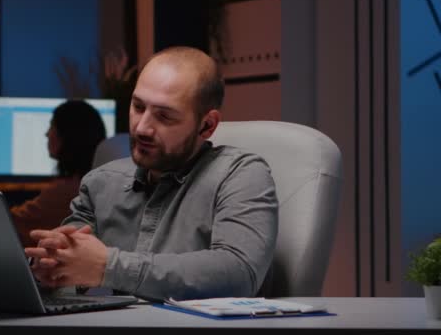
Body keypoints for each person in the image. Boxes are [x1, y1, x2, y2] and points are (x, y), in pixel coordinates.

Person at [25, 46, 279, 302]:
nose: (142, 127)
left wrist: (108, 267)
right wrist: (48, 265)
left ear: (207, 125)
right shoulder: (100, 182)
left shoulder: (241, 175)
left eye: (164, 116)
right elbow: (65, 260)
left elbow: (239, 274)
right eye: (138, 107)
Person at [10, 99, 106, 246]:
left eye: (52, 126)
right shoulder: (97, 180)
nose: (47, 133)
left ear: (67, 135)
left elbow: (13, 223)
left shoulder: (66, 190)